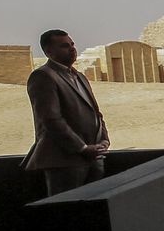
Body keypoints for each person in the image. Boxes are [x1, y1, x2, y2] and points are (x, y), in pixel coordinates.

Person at [23, 29, 110, 195]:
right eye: (64, 46)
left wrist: (104, 139)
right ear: (49, 52)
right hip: (64, 161)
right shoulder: (43, 76)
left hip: (93, 158)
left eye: (72, 44)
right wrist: (82, 148)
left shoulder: (79, 77)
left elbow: (95, 113)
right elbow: (51, 120)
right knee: (67, 213)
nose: (72, 49)